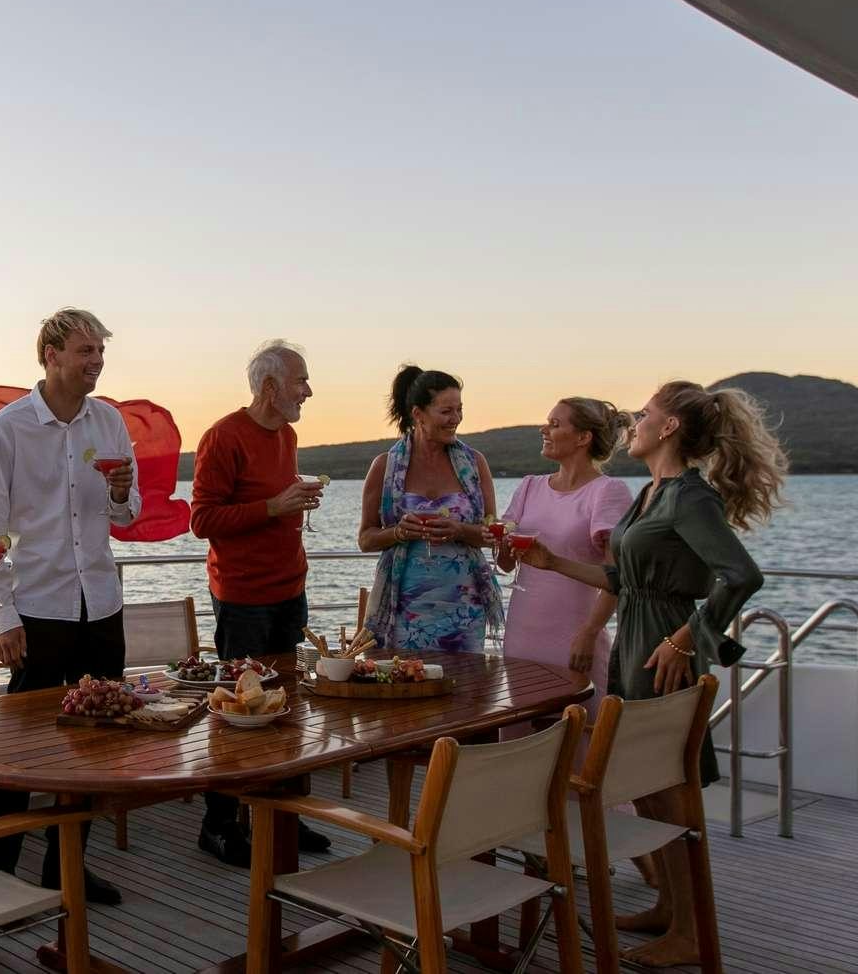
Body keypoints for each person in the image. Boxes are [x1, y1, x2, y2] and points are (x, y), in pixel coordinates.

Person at [517, 379, 787, 968]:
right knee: (645, 793)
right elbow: (621, 582)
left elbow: (741, 576)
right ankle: (668, 907)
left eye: (645, 414)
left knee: (673, 798)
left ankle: (691, 933)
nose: (633, 422)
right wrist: (551, 561)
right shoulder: (652, 493)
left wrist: (685, 639)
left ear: (667, 429)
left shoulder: (690, 497)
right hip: (636, 646)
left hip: (663, 649)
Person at [0, 307, 138, 904]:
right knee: (22, 746)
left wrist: (122, 493)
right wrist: (0, 615)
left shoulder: (111, 422)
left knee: (97, 741)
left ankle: (66, 865)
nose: (96, 361)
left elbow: (126, 515)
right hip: (37, 606)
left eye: (100, 352)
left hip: (100, 602)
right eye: (85, 351)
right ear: (50, 355)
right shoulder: (8, 429)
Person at [188, 340, 332, 866]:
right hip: (243, 599)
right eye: (301, 381)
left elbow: (270, 504)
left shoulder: (288, 435)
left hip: (290, 589)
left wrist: (293, 498)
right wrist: (274, 505)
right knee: (239, 710)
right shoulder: (223, 437)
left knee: (288, 705)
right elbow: (201, 521)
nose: (309, 390)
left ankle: (284, 817)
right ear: (270, 387)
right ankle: (219, 824)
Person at [495, 398, 634, 727]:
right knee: (520, 732)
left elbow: (617, 577)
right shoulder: (529, 486)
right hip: (522, 633)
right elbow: (505, 565)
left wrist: (589, 632)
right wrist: (500, 543)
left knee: (575, 733)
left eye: (555, 424)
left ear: (583, 438)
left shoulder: (607, 492)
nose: (544, 429)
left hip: (574, 635)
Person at [358, 365, 501, 652]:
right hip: (403, 607)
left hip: (464, 606)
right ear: (418, 414)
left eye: (460, 410)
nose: (456, 419)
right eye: (446, 411)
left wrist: (459, 530)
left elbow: (492, 533)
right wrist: (399, 532)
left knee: (465, 693)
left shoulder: (475, 464)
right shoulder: (384, 466)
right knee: (404, 686)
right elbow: (366, 539)